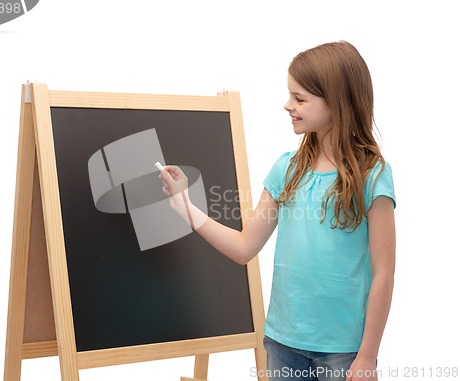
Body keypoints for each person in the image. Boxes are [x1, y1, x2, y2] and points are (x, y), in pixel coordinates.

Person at [158, 41, 396, 381]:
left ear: (337, 102)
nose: (288, 105)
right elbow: (244, 248)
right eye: (290, 96)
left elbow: (384, 273)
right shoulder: (287, 169)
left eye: (300, 99)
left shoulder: (373, 175)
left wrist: (368, 356)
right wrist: (184, 206)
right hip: (282, 343)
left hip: (344, 351)